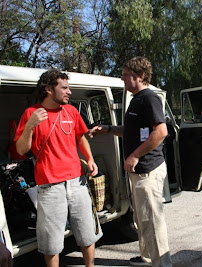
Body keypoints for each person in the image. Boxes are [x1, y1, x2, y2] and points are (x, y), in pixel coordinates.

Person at [88, 57, 171, 267]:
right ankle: (147, 257)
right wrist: (107, 129)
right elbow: (131, 131)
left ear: (141, 76)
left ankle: (162, 263)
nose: (122, 78)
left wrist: (135, 155)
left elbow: (160, 132)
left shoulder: (149, 98)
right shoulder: (135, 99)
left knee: (152, 220)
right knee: (142, 219)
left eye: (126, 75)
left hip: (147, 170)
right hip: (139, 172)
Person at [14, 69, 102, 267]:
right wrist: (29, 126)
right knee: (51, 242)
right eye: (64, 88)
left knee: (87, 234)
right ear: (48, 89)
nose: (69, 92)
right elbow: (21, 150)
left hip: (77, 182)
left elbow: (80, 136)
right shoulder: (32, 114)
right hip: (50, 186)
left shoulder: (71, 111)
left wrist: (90, 159)